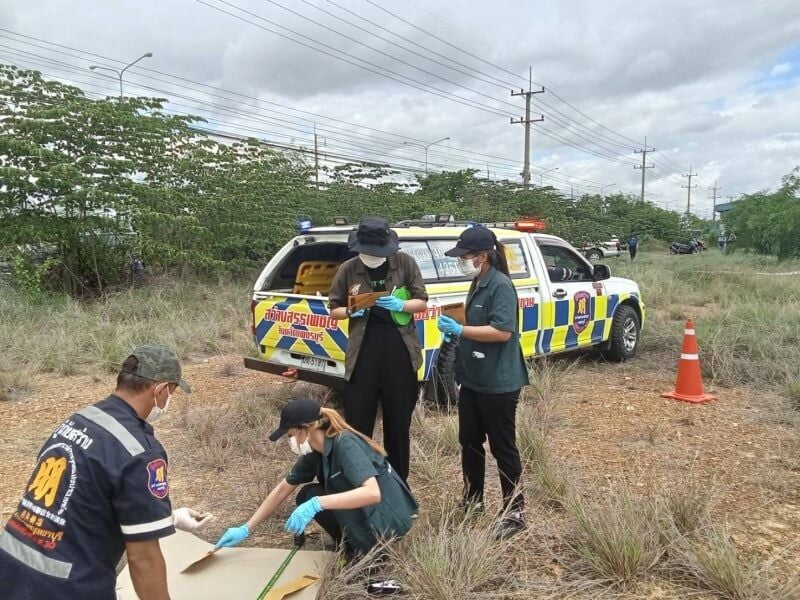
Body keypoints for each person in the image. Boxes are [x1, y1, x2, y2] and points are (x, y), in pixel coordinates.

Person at [0, 345, 214, 600]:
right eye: (172, 392)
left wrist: (171, 518)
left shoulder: (76, 421)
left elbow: (76, 499)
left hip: (10, 570)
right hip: (66, 587)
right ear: (160, 390)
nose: (169, 401)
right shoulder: (140, 451)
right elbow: (143, 558)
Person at [215, 398, 418, 559]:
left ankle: (372, 551)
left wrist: (317, 503)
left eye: (291, 435)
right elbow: (283, 489)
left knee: (317, 498)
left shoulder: (345, 444)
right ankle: (350, 543)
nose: (291, 441)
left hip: (387, 519)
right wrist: (246, 528)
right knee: (307, 494)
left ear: (306, 428)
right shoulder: (314, 452)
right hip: (368, 511)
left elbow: (372, 493)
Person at [436, 226, 530, 539]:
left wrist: (462, 331)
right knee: (469, 440)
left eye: (465, 256)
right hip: (474, 377)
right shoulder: (478, 281)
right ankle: (473, 499)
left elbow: (503, 331)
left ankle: (515, 511)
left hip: (499, 381)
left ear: (483, 256)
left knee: (502, 446)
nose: (462, 261)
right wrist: (457, 329)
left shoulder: (500, 285)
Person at [327, 216, 428, 482]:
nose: (372, 257)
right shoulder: (348, 269)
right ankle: (361, 483)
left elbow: (421, 302)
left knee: (398, 426)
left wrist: (402, 305)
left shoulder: (405, 263)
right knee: (359, 425)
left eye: (378, 253)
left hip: (399, 350)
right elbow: (334, 310)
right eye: (367, 252)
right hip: (364, 352)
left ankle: (398, 486)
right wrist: (353, 308)